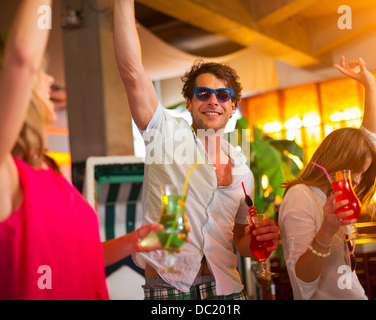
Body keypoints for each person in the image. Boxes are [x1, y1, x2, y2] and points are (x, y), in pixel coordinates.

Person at [0, 0, 162, 300]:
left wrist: (133, 242)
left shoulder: (48, 171)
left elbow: (77, 260)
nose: (49, 80)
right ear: (3, 87)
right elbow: (22, 59)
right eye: (39, 73)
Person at [113, 0, 279, 300]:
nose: (213, 100)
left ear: (232, 107)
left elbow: (240, 240)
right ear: (189, 103)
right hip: (169, 289)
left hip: (227, 289)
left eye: (222, 95)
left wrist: (259, 242)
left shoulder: (243, 171)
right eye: (203, 93)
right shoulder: (165, 135)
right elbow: (133, 73)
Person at [278, 56, 376, 300]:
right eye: (355, 171)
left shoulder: (333, 196)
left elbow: (371, 144)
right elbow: (302, 282)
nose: (357, 181)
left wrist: (370, 84)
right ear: (337, 163)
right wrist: (326, 231)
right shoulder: (300, 198)